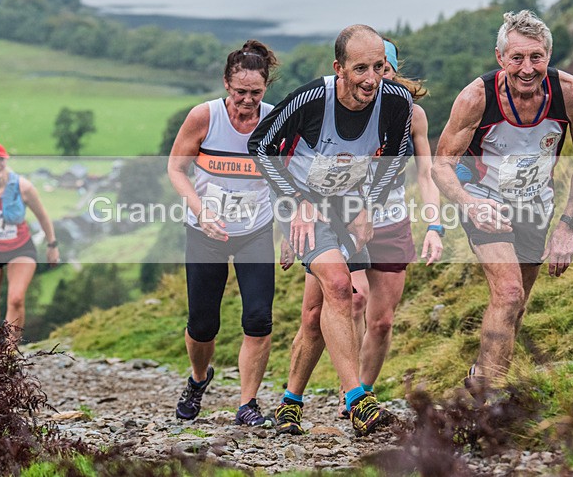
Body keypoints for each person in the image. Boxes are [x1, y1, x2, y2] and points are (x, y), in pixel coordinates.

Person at [248, 24, 413, 437]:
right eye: (360, 69)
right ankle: (357, 400)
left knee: (316, 314)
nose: (371, 79)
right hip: (300, 202)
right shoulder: (311, 100)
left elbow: (398, 153)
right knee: (343, 288)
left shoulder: (394, 101)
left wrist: (369, 204)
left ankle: (290, 401)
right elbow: (260, 146)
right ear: (339, 68)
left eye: (379, 67)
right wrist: (295, 200)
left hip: (348, 202)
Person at [431, 10, 573, 399]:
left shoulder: (572, 94)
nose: (527, 68)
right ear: (500, 58)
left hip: (536, 204)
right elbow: (441, 165)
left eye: (536, 57)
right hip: (484, 200)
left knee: (516, 305)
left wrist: (566, 227)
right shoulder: (477, 98)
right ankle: (489, 402)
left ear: (549, 55)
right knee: (508, 294)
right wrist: (468, 203)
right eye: (517, 58)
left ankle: (481, 376)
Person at [292, 38, 445, 418]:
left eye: (385, 70)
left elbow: (426, 171)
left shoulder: (413, 115)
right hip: (344, 218)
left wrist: (434, 224)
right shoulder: (340, 107)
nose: (377, 79)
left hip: (391, 220)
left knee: (382, 321)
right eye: (369, 70)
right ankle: (350, 395)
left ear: (394, 72)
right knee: (349, 299)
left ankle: (365, 392)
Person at [167, 40, 279, 427]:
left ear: (266, 88)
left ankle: (248, 402)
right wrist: (201, 211)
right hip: (205, 232)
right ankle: (199, 379)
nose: (247, 101)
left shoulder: (275, 119)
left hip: (255, 230)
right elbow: (176, 169)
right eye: (240, 92)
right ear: (226, 85)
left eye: (256, 93)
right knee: (202, 325)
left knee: (259, 318)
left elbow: (289, 176)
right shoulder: (204, 117)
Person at [0, 142, 59, 341]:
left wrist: (52, 245)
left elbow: (43, 216)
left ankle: (10, 352)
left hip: (20, 248)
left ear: (6, 161)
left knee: (16, 298)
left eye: (0, 159)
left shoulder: (23, 187)